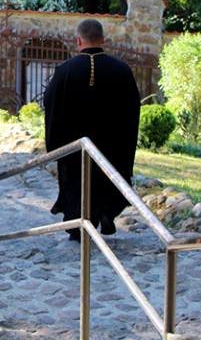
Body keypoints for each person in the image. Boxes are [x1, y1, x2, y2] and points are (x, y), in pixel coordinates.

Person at [44, 19, 141, 241]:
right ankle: (106, 212)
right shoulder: (121, 70)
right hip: (111, 145)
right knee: (107, 178)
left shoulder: (65, 71)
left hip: (75, 146)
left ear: (78, 40)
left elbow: (50, 103)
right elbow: (132, 108)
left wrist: (55, 143)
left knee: (76, 183)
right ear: (103, 39)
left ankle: (78, 226)